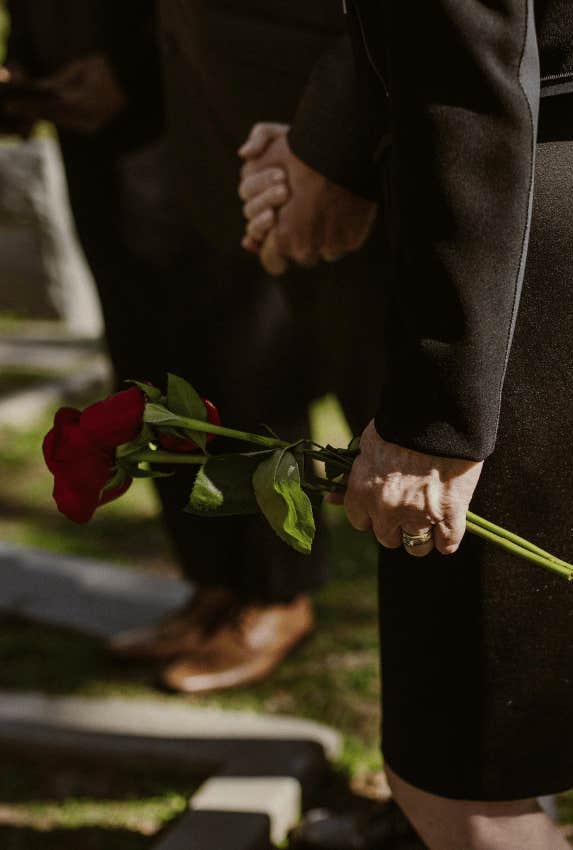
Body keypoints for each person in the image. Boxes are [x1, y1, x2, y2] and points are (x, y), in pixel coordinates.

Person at [241, 1, 573, 848]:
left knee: (454, 778)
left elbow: (467, 68)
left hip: (538, 252)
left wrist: (434, 419)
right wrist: (321, 146)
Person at [1, 0, 382, 694]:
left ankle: (275, 592)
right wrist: (29, 67)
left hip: (192, 105)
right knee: (147, 358)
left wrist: (130, 67)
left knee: (244, 354)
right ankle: (212, 582)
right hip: (90, 123)